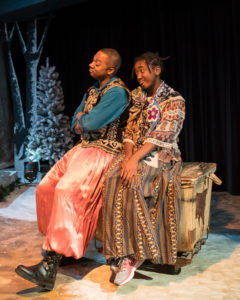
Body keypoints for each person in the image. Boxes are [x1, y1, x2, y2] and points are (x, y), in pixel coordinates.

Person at [15, 48, 131, 290]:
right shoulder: (92, 91)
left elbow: (91, 121)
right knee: (46, 187)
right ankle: (62, 248)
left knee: (66, 191)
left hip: (103, 152)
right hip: (83, 148)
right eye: (92, 59)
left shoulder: (118, 93)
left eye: (97, 62)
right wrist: (84, 120)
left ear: (110, 69)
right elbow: (76, 121)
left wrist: (85, 120)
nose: (91, 64)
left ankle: (49, 264)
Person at [101, 51, 185, 286]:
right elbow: (129, 131)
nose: (138, 76)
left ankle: (133, 255)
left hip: (161, 154)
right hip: (134, 153)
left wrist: (135, 160)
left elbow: (163, 135)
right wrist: (128, 159)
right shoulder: (137, 97)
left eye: (142, 70)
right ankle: (118, 249)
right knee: (111, 179)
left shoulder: (174, 99)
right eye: (135, 72)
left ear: (156, 70)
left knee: (134, 182)